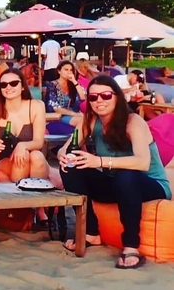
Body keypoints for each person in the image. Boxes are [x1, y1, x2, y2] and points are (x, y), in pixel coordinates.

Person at [59, 74, 171, 268]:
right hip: (116, 183)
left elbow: (142, 163)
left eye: (105, 95)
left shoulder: (133, 121)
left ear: (117, 97)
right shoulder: (90, 120)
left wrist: (99, 161)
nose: (99, 101)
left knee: (125, 175)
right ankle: (90, 232)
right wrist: (63, 155)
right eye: (93, 97)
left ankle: (131, 246)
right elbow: (68, 146)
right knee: (71, 168)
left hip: (150, 184)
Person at [0, 68, 49, 182]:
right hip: (3, 160)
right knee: (23, 159)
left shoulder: (36, 106)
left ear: (23, 86)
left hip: (32, 157)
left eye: (13, 83)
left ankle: (36, 191)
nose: (8, 87)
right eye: (3, 85)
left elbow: (39, 143)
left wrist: (22, 146)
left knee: (36, 156)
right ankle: (20, 191)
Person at [44, 60, 85, 127]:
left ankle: (79, 133)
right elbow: (55, 108)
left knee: (87, 119)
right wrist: (74, 114)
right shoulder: (52, 85)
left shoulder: (74, 85)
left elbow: (83, 97)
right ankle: (77, 133)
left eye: (71, 70)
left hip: (74, 114)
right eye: (66, 70)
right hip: (59, 115)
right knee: (81, 121)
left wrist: (74, 81)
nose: (69, 72)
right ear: (59, 71)